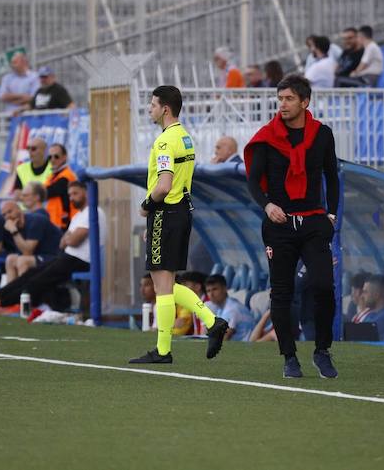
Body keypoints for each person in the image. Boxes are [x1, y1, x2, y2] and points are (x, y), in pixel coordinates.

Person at [244, 74, 340, 379]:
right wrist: (267, 205)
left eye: (289, 99)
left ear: (304, 102)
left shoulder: (322, 134)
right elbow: (252, 180)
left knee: (324, 286)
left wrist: (331, 214)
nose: (282, 105)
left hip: (313, 222)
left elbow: (332, 176)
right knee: (282, 293)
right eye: (280, 99)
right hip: (279, 224)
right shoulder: (266, 137)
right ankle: (289, 357)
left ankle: (322, 350)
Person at [128, 85, 228, 364]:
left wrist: (146, 206)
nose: (149, 109)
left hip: (165, 211)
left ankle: (164, 350)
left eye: (152, 105)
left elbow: (163, 185)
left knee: (162, 285)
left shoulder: (164, 142)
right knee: (167, 284)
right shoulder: (185, 137)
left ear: (165, 109)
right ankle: (212, 322)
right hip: (182, 211)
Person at [0, 181, 105, 311]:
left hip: (81, 260)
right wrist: (69, 238)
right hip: (66, 257)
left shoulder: (93, 212)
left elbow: (72, 241)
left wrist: (69, 238)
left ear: (86, 193)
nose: (71, 197)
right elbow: (63, 242)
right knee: (30, 274)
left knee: (36, 280)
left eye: (75, 193)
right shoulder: (78, 216)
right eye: (70, 195)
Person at [0, 200, 62, 282]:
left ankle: (25, 290)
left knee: (23, 261)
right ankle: (11, 290)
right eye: (4, 215)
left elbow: (27, 252)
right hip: (39, 257)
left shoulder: (35, 220)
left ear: (19, 210)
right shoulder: (15, 226)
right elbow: (22, 252)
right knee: (10, 259)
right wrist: (14, 230)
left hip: (56, 257)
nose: (7, 216)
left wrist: (14, 231)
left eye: (10, 211)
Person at [204, 274, 255, 342]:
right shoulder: (220, 307)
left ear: (225, 289)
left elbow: (224, 338)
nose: (211, 294)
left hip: (246, 345)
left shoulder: (232, 308)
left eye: (215, 289)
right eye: (208, 291)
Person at [45, 143, 78, 231]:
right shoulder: (53, 176)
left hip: (65, 223)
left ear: (64, 157)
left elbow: (48, 192)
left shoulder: (66, 176)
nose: (52, 160)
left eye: (56, 156)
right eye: (50, 157)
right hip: (55, 222)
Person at [14, 137, 51, 202]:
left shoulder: (53, 168)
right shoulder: (21, 168)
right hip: (26, 208)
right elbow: (17, 193)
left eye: (34, 149)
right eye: (28, 148)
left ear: (43, 150)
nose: (30, 152)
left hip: (46, 207)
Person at [360, 274, 384, 339]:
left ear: (377, 294)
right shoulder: (372, 314)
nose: (362, 296)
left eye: (365, 292)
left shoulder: (383, 320)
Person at [179, 270, 209, 334]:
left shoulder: (208, 304)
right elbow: (197, 332)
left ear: (197, 287)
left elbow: (204, 334)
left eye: (185, 285)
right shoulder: (195, 303)